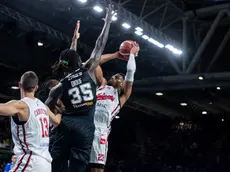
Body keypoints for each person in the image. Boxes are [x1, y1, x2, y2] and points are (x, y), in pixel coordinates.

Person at [45, 4, 115, 172]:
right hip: (85, 127)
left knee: (58, 164)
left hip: (66, 125)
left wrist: (58, 113)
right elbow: (99, 45)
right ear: (79, 60)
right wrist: (107, 23)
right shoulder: (89, 71)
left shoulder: (61, 84)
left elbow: (46, 106)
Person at [89, 43, 139, 172]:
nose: (119, 77)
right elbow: (94, 62)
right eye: (116, 76)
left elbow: (130, 71)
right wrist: (116, 55)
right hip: (85, 125)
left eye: (122, 78)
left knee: (97, 170)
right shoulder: (102, 85)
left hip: (100, 131)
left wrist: (132, 55)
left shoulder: (122, 96)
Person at [0, 71, 61, 172]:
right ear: (36, 87)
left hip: (30, 162)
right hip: (45, 164)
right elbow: (57, 122)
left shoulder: (21, 106)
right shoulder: (44, 107)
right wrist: (60, 111)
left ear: (20, 85)